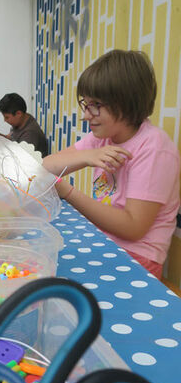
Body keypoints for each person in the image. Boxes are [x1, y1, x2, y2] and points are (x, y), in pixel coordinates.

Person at [43, 49, 180, 279]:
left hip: (137, 260)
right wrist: (87, 157)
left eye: (95, 105)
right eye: (85, 104)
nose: (86, 115)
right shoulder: (101, 138)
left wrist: (68, 192)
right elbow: (45, 166)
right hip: (105, 242)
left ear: (125, 102)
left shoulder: (154, 148)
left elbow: (133, 227)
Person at [0, 92, 48, 158]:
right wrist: (0, 136)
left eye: (7, 117)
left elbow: (21, 160)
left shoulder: (30, 134)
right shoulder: (21, 121)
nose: (5, 120)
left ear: (18, 114)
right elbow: (12, 137)